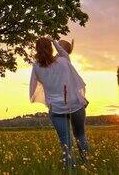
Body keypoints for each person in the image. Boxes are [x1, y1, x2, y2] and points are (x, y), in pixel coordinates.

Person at [29, 37, 89, 167]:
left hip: (56, 109)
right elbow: (63, 53)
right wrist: (54, 41)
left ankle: (71, 169)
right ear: (51, 48)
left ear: (36, 49)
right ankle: (87, 165)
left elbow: (33, 88)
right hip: (75, 105)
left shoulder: (36, 67)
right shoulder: (63, 61)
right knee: (80, 135)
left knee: (65, 142)